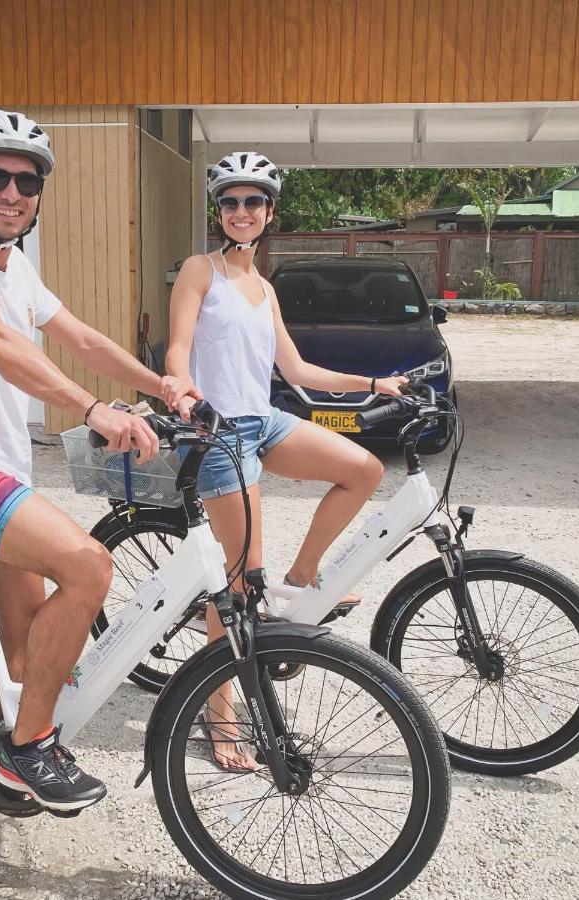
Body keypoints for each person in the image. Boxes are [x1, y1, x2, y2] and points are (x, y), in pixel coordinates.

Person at [0, 109, 201, 811]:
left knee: (30, 654)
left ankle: (6, 749)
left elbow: (80, 337)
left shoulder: (16, 265)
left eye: (26, 181)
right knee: (90, 565)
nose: (11, 192)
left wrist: (160, 388)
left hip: (1, 468)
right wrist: (93, 410)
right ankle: (27, 751)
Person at [166, 151, 407, 771]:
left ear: (269, 212)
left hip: (263, 418)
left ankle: (301, 579)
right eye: (229, 202)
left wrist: (373, 385)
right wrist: (185, 392)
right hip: (218, 431)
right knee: (239, 584)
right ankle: (219, 718)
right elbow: (178, 349)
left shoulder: (265, 287)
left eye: (253, 202)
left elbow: (297, 370)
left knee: (364, 471)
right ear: (218, 211)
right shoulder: (201, 270)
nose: (241, 212)